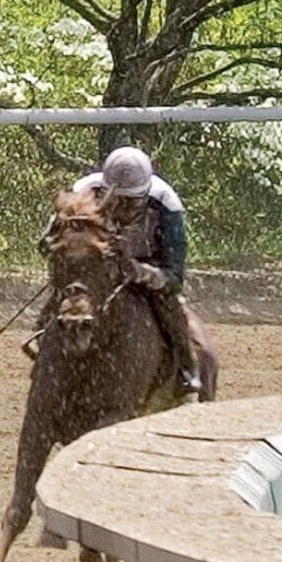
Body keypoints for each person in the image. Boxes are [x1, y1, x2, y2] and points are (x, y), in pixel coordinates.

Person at [75, 145, 213, 401]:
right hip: (96, 272)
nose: (123, 210)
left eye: (131, 203)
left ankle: (186, 367)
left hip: (147, 275)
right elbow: (50, 241)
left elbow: (174, 276)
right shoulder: (82, 193)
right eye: (117, 201)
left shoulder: (167, 206)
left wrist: (139, 271)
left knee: (170, 308)